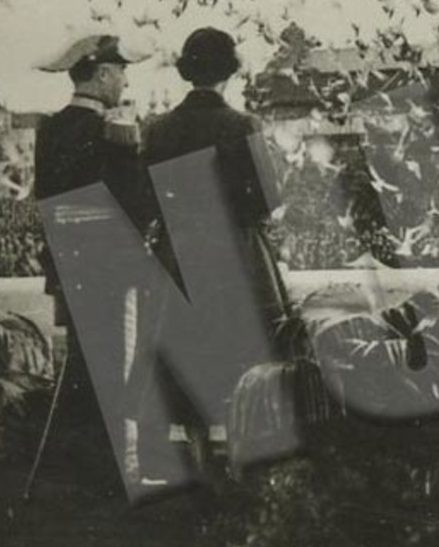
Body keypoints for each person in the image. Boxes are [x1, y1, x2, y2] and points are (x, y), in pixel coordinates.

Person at [134, 27, 290, 485]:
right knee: (248, 359)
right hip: (235, 257)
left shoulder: (159, 129)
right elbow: (268, 197)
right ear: (229, 70)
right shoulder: (243, 126)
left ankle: (200, 465)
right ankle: (246, 469)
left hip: (179, 259)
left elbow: (147, 201)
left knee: (186, 358)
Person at [32, 33, 154, 497]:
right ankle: (122, 471)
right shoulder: (113, 131)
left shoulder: (49, 130)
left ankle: (86, 471)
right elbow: (136, 206)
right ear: (102, 74)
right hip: (112, 267)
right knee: (119, 364)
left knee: (83, 365)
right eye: (120, 71)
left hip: (69, 267)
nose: (124, 79)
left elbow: (47, 204)